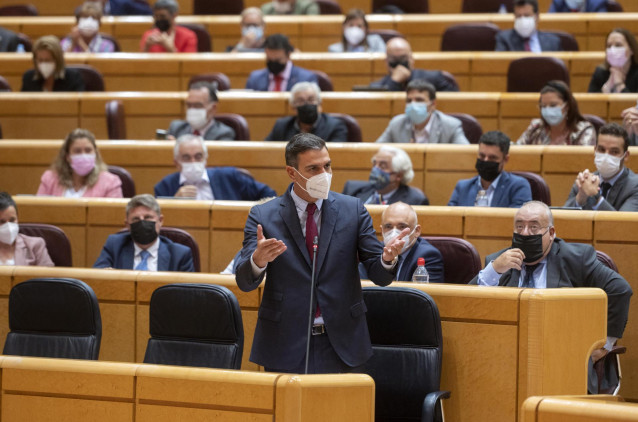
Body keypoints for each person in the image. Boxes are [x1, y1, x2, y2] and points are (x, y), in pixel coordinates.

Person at [235, 133, 408, 374]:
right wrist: (258, 260)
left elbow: (380, 276)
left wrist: (387, 259)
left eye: (327, 165)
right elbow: (244, 281)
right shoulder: (263, 215)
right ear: (292, 173)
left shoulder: (352, 210)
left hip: (343, 342)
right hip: (285, 343)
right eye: (313, 168)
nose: (323, 174)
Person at [470, 200, 632, 354]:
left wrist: (603, 346)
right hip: (509, 349)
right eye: (519, 227)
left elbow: (619, 290)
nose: (525, 233)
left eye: (534, 227)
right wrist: (494, 270)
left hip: (564, 349)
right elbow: (464, 302)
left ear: (551, 233)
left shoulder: (576, 258)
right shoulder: (500, 262)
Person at [154, 134, 277, 200]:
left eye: (198, 156)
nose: (193, 161)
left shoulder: (231, 177)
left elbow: (269, 195)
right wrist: (174, 203)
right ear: (176, 163)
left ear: (205, 159)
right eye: (186, 158)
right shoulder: (164, 187)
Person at [94, 194, 195, 271]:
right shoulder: (114, 245)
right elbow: (97, 279)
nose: (142, 222)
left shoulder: (180, 254)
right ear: (127, 224)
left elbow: (187, 294)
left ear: (160, 220)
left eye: (148, 217)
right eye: (136, 219)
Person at [359, 202, 443, 282]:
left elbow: (425, 295)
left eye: (402, 226)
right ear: (381, 231)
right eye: (388, 226)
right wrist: (386, 262)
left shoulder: (429, 255)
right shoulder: (372, 252)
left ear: (417, 231)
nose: (394, 233)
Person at [564, 123, 638, 211]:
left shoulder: (634, 186)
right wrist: (580, 197)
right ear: (595, 150)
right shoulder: (585, 182)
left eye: (614, 152)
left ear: (626, 156)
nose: (606, 156)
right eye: (601, 150)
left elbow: (623, 224)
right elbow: (564, 221)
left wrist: (596, 198)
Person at [448, 131, 532, 207]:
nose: (486, 161)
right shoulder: (463, 187)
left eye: (492, 158)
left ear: (505, 159)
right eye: (482, 156)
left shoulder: (518, 187)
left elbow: (519, 221)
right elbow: (450, 220)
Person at [376, 79, 469, 144]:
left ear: (433, 105)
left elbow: (464, 156)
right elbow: (375, 150)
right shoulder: (397, 124)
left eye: (419, 100)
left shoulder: (451, 126)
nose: (413, 104)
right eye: (409, 101)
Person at [37, 129, 122, 198]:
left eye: (88, 150)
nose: (83, 155)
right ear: (67, 157)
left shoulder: (111, 183)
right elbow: (38, 212)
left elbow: (113, 216)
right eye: (77, 151)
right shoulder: (49, 179)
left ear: (95, 154)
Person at [342, 145, 429, 205]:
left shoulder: (415, 201)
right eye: (374, 164)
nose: (375, 169)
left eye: (382, 166)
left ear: (398, 176)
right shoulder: (352, 190)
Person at [517, 80, 595, 146]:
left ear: (567, 106)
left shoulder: (583, 131)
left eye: (553, 105)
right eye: (543, 106)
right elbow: (517, 150)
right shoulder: (535, 127)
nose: (547, 110)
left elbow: (584, 160)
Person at [265, 82, 347, 142]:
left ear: (319, 104)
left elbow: (336, 156)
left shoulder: (335, 127)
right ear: (293, 107)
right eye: (300, 101)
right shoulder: (282, 126)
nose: (306, 104)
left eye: (311, 100)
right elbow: (266, 151)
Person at [368, 37, 459, 92]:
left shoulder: (434, 79)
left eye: (403, 58)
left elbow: (454, 103)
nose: (399, 64)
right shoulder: (376, 88)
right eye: (394, 59)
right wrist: (394, 82)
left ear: (411, 59)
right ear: (386, 61)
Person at [245, 34, 318, 92]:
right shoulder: (255, 79)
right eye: (270, 60)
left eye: (277, 60)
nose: (273, 63)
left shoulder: (306, 79)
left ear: (288, 55)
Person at [167, 82, 236, 141]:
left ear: (213, 108)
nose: (192, 109)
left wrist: (179, 146)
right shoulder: (176, 129)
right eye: (189, 105)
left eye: (197, 105)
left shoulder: (223, 134)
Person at [0, 192, 53, 267]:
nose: (8, 226)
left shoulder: (35, 246)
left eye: (12, 220)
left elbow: (49, 276)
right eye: (1, 221)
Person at [21, 36, 85, 92]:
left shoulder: (73, 78)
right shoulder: (29, 78)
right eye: (40, 60)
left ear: (58, 59)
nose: (44, 64)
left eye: (48, 60)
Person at [495, 0, 562, 52]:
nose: (522, 19)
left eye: (526, 15)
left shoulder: (553, 42)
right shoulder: (504, 40)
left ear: (537, 17)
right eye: (519, 16)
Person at [588, 28, 638, 94]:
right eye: (609, 46)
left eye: (618, 45)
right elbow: (591, 102)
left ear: (631, 50)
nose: (612, 49)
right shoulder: (600, 72)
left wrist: (619, 84)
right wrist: (608, 85)